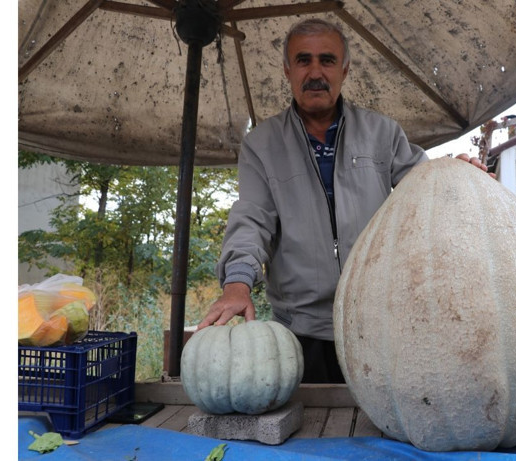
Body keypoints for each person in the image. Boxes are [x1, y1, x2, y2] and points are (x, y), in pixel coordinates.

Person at [198, 18, 491, 383]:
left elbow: (425, 187)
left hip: (377, 328)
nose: (315, 72)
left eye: (327, 60)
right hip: (298, 334)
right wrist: (237, 284)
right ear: (287, 70)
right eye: (303, 61)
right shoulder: (262, 145)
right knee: (307, 434)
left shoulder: (383, 134)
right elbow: (251, 220)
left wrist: (457, 177)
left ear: (345, 69)